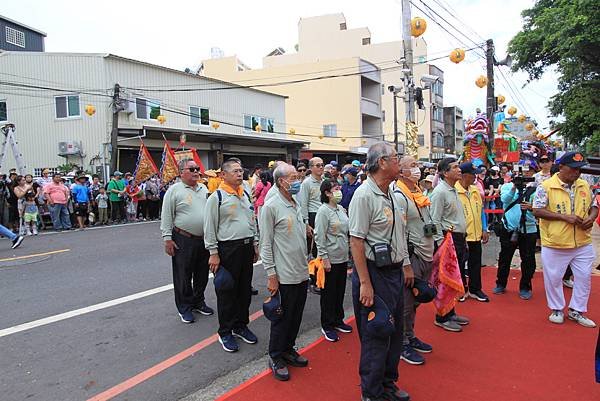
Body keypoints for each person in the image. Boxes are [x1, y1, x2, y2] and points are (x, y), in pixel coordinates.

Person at [349, 142, 410, 401]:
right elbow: (356, 241)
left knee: (395, 332)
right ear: (382, 162)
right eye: (396, 158)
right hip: (374, 273)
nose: (401, 163)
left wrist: (406, 264)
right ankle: (371, 393)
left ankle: (388, 383)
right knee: (377, 332)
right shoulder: (364, 196)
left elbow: (399, 235)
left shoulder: (393, 195)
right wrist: (364, 282)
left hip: (394, 272)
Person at [532, 151, 598, 328]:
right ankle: (557, 309)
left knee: (584, 277)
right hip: (555, 243)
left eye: (579, 169)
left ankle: (577, 310)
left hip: (582, 242)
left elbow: (594, 206)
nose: (577, 173)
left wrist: (591, 218)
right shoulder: (546, 186)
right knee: (554, 278)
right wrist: (564, 217)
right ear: (561, 167)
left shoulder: (584, 185)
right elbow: (537, 210)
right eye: (573, 169)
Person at [260, 163, 309, 381]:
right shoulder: (271, 206)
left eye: (298, 176)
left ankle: (288, 349)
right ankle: (276, 356)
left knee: (296, 316)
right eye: (293, 177)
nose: (298, 180)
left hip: (301, 271)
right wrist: (271, 274)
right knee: (282, 318)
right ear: (281, 181)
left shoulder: (295, 201)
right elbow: (266, 244)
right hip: (284, 274)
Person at [204, 159, 259, 353]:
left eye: (240, 171)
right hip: (227, 250)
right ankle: (225, 331)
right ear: (224, 175)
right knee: (227, 291)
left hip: (246, 248)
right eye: (235, 171)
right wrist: (213, 253)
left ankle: (240, 325)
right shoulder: (216, 197)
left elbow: (252, 220)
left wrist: (255, 243)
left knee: (244, 291)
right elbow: (209, 226)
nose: (239, 174)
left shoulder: (245, 194)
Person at [393, 156, 435, 366]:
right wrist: (406, 263)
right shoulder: (399, 196)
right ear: (401, 172)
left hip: (426, 253)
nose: (417, 169)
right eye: (411, 166)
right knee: (407, 303)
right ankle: (401, 343)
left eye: (417, 165)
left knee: (417, 301)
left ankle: (410, 335)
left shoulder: (418, 192)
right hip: (413, 256)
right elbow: (398, 233)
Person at [161, 159, 214, 324]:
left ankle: (198, 302)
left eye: (197, 168)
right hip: (183, 238)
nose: (196, 171)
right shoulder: (174, 190)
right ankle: (184, 307)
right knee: (183, 275)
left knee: (202, 274)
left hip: (203, 239)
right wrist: (167, 238)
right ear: (181, 172)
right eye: (192, 169)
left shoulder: (203, 188)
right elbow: (167, 215)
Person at [429, 158, 471, 332]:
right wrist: (441, 244)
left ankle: (450, 311)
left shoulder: (453, 190)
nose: (459, 170)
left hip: (458, 239)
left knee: (455, 277)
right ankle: (442, 316)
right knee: (446, 279)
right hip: (448, 240)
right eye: (455, 167)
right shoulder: (439, 192)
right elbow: (434, 220)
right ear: (445, 173)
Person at [314, 179, 352, 343]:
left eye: (339, 188)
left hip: (343, 257)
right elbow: (319, 237)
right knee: (328, 294)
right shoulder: (323, 211)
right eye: (335, 188)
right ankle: (327, 324)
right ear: (327, 193)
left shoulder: (341, 209)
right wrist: (325, 258)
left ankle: (338, 319)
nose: (339, 191)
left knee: (339, 290)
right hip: (330, 258)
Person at [494, 160, 538, 300]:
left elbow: (541, 208)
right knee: (504, 258)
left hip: (528, 229)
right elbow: (505, 200)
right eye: (522, 171)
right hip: (509, 228)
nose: (525, 173)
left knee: (528, 259)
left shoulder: (537, 189)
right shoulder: (507, 186)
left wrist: (532, 206)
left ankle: (525, 287)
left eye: (529, 170)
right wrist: (514, 186)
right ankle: (501, 283)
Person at [455, 162, 490, 302]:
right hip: (462, 235)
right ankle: (461, 289)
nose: (475, 177)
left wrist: (484, 228)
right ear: (464, 176)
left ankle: (475, 289)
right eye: (472, 174)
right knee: (460, 264)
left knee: (476, 263)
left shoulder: (475, 190)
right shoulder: (454, 191)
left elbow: (481, 210)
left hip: (476, 234)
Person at [299, 157, 324, 293]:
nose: (321, 167)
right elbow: (303, 204)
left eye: (322, 165)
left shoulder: (325, 181)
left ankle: (320, 278)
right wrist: (306, 224)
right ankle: (312, 280)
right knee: (312, 251)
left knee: (322, 249)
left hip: (324, 216)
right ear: (311, 168)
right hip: (312, 216)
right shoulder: (307, 183)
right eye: (318, 165)